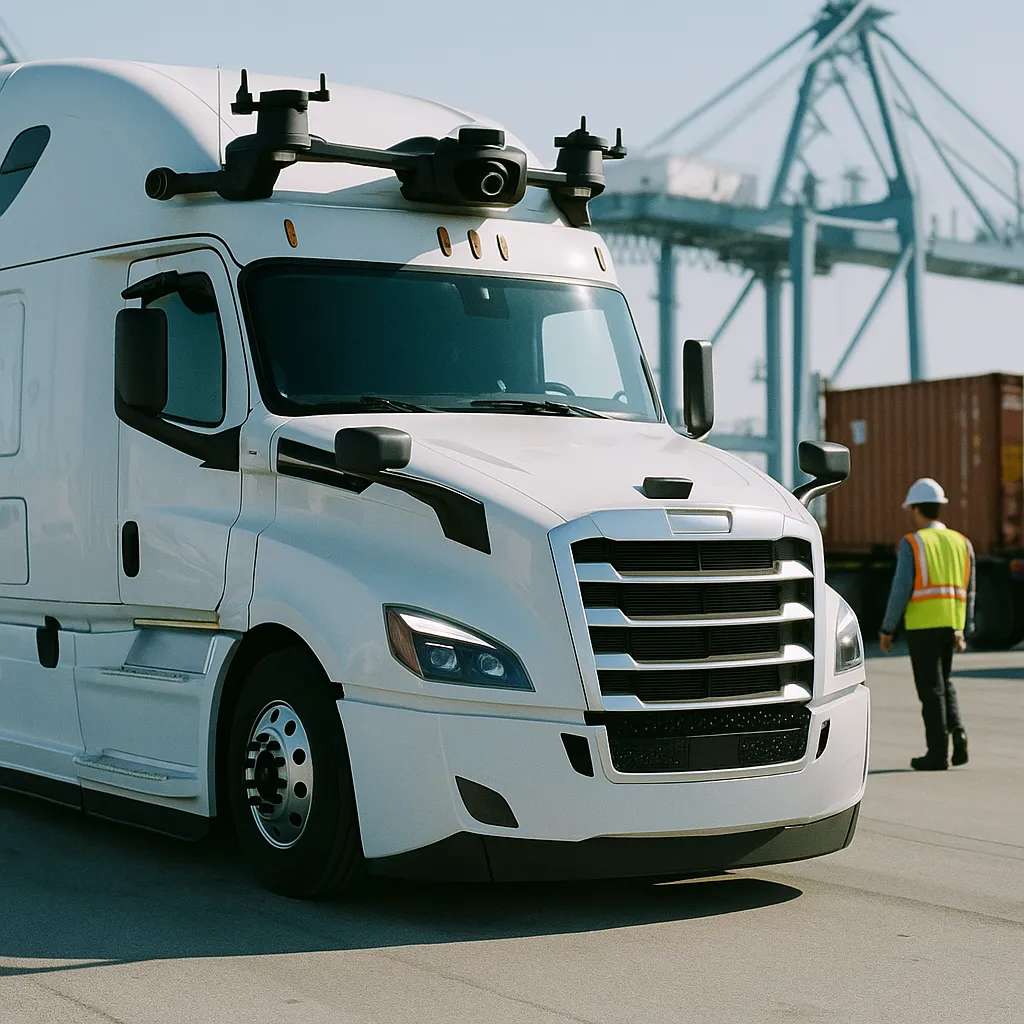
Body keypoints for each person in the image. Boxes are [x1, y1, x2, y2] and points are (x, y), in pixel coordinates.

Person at [878, 478, 975, 771]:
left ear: (917, 509)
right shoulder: (962, 542)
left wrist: (887, 628)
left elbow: (901, 589)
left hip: (923, 626)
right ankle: (958, 735)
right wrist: (963, 628)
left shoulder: (913, 542)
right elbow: (970, 590)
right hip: (951, 625)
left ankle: (937, 754)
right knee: (944, 682)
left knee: (930, 689)